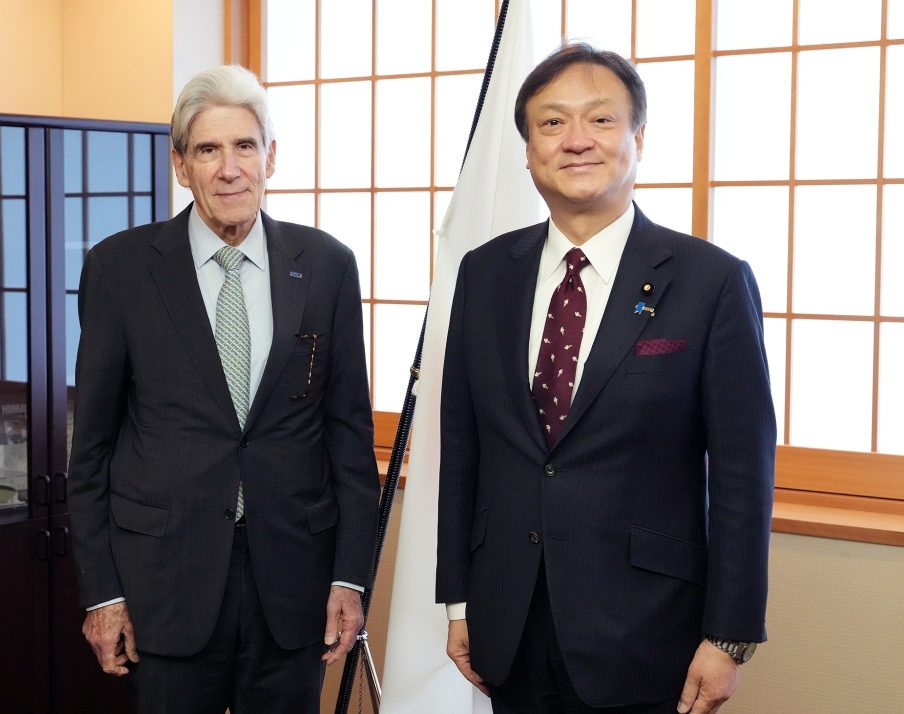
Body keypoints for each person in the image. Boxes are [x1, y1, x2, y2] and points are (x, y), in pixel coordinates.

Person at [436, 43, 775, 714]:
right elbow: (462, 445)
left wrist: (729, 635)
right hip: (509, 621)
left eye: (601, 119)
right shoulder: (484, 272)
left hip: (648, 631)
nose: (576, 141)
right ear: (529, 148)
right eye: (552, 123)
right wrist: (458, 600)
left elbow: (743, 472)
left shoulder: (711, 281)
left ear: (638, 138)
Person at [67, 64, 380, 714]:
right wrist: (102, 593)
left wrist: (351, 577)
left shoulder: (325, 267)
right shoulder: (120, 270)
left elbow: (350, 440)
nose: (229, 168)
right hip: (164, 587)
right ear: (181, 165)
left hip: (294, 590)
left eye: (244, 146)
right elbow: (91, 451)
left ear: (271, 157)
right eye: (208, 149)